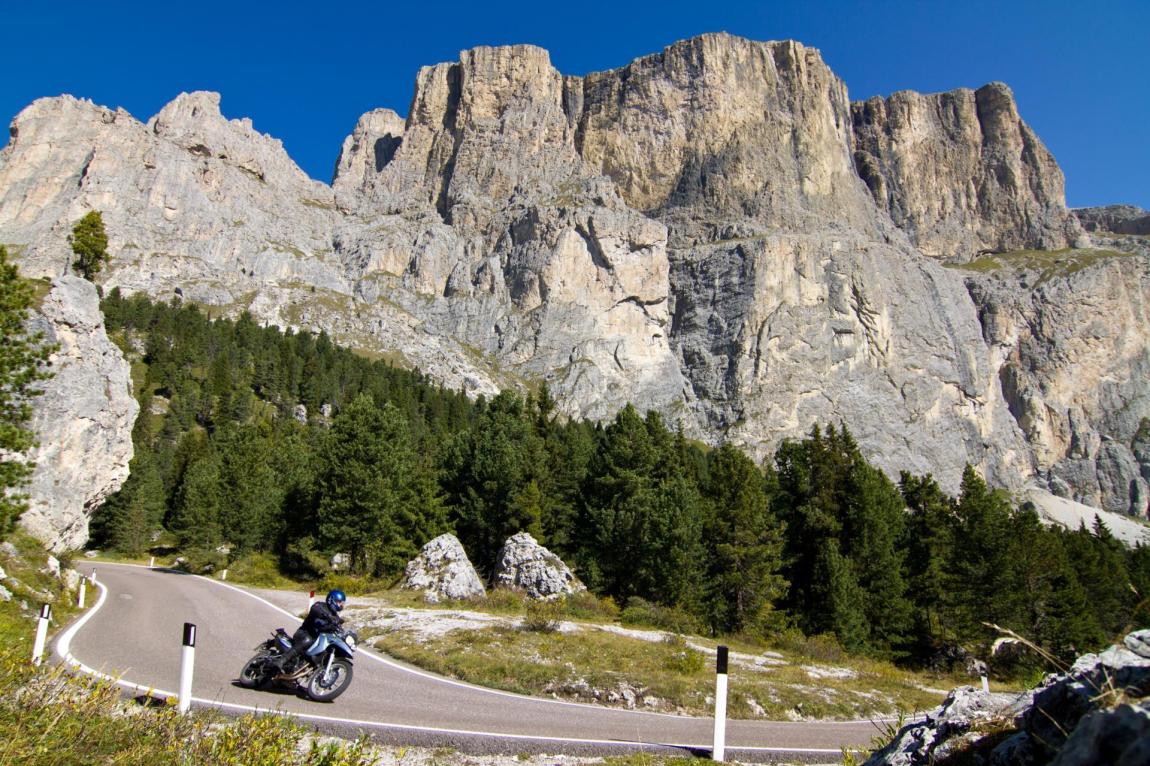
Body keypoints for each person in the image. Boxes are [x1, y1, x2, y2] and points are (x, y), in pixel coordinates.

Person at [272, 589, 347, 674]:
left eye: (342, 603)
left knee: (325, 649)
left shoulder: (336, 617)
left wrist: (343, 633)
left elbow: (338, 628)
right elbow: (315, 609)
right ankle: (281, 661)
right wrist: (328, 616)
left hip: (316, 640)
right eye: (339, 602)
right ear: (332, 600)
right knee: (307, 640)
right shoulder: (320, 606)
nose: (341, 605)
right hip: (304, 633)